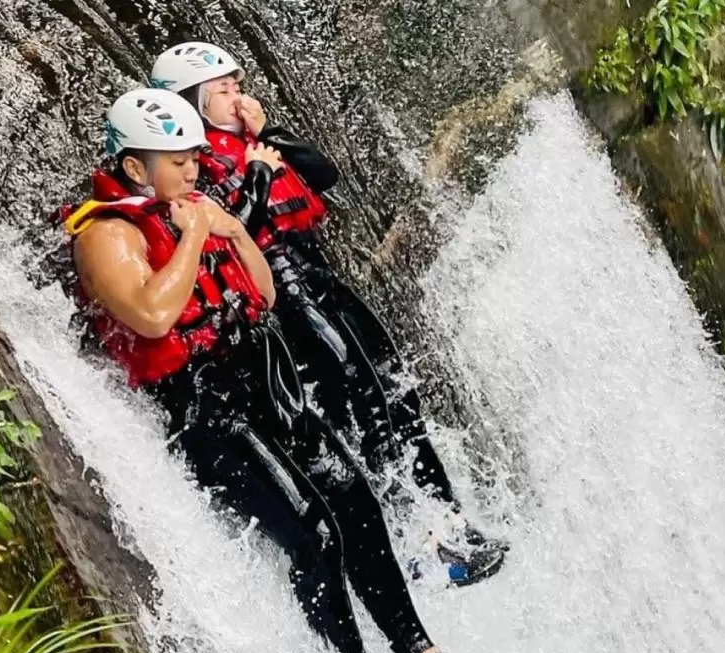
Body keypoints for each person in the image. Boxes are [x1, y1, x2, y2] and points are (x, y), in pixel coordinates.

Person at [67, 87, 518, 653]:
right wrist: (195, 234)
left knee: (355, 499)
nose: (193, 170)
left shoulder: (188, 209)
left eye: (194, 156)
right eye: (178, 161)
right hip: (203, 408)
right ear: (136, 169)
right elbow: (153, 316)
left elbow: (265, 293)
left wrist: (236, 231)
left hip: (260, 378)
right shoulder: (108, 233)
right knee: (315, 532)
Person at [150, 43, 510, 588]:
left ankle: (450, 520)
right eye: (223, 88)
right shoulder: (190, 172)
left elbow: (324, 173)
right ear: (192, 102)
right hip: (286, 292)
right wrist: (257, 173)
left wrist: (267, 134)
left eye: (235, 82)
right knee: (364, 400)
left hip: (317, 273)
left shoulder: (253, 144)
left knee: (394, 388)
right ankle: (421, 543)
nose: (237, 93)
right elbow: (235, 230)